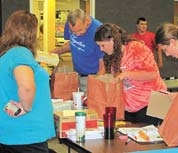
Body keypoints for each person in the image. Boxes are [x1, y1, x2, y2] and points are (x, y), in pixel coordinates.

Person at [0, 10, 56, 153]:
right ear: (31, 32)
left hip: (13, 132)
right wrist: (25, 108)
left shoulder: (7, 54)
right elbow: (26, 87)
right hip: (27, 133)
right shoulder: (21, 53)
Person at [94, 23, 167, 126]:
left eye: (103, 45)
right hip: (129, 107)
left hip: (149, 105)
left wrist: (125, 75)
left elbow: (152, 74)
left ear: (113, 40)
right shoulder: (113, 56)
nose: (101, 49)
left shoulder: (136, 48)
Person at [51, 9, 105, 92]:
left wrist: (94, 86)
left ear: (86, 21)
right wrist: (56, 52)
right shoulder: (70, 24)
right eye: (73, 32)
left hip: (93, 77)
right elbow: (73, 43)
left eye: (80, 30)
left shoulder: (99, 32)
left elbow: (104, 65)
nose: (77, 34)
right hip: (76, 74)